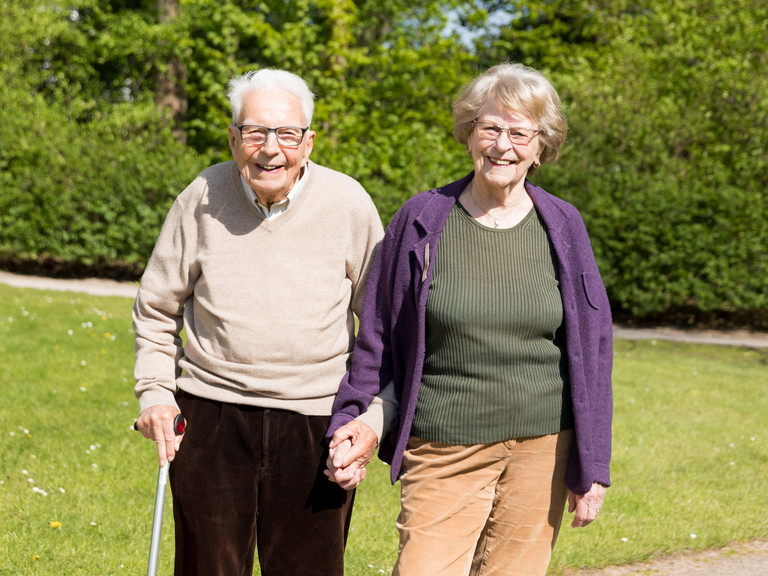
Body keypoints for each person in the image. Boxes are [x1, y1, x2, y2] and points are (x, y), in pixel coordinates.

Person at [325, 63, 613, 576]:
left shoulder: (564, 224)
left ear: (541, 145)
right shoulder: (422, 218)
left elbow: (592, 349)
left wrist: (591, 465)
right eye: (491, 128)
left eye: (519, 132)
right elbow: (378, 336)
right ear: (469, 132)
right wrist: (353, 416)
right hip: (443, 445)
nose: (503, 145)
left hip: (543, 447)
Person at [132, 68, 385, 576]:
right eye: (255, 132)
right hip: (211, 417)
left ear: (308, 141)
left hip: (316, 422)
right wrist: (156, 392)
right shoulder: (200, 196)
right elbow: (157, 308)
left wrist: (371, 416)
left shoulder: (348, 202)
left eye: (287, 133)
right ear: (233, 138)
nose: (271, 149)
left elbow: (381, 328)